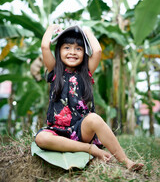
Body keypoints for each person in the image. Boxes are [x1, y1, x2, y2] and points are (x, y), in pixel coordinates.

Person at [35, 24, 144, 171]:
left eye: (78, 49)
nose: (72, 52)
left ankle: (126, 161)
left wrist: (87, 31)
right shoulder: (55, 72)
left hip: (81, 130)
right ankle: (90, 149)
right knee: (41, 138)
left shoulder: (85, 73)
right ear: (59, 50)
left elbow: (98, 51)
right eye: (67, 48)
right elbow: (44, 47)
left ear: (84, 53)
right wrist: (51, 28)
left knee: (94, 118)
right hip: (57, 132)